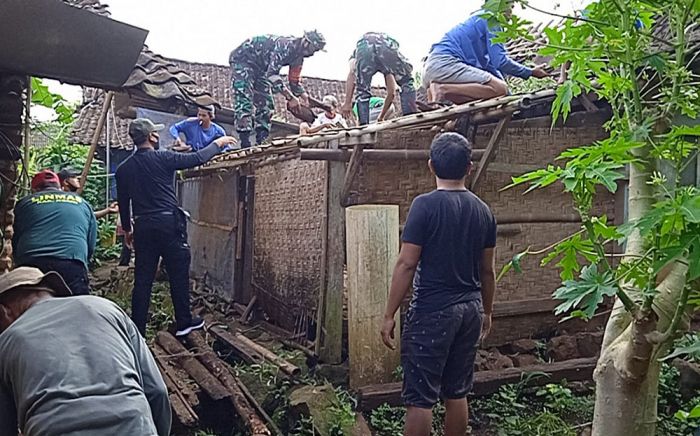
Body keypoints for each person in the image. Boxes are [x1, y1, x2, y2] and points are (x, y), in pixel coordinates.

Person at [380, 132, 497, 436]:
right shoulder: (484, 211)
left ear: (430, 165)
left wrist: (389, 313)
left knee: (421, 397)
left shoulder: (425, 206)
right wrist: (486, 311)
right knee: (457, 391)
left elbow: (407, 263)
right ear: (469, 168)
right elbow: (488, 271)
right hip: (470, 309)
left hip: (433, 311)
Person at [0, 266, 171, 436]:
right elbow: (157, 391)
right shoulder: (108, 310)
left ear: (3, 311)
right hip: (135, 427)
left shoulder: (7, 341)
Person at [115, 118, 237, 337]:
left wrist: (127, 230)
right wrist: (219, 143)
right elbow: (197, 158)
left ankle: (138, 331)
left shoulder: (124, 169)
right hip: (168, 224)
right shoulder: (164, 158)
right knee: (178, 272)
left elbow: (124, 203)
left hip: (143, 225)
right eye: (156, 134)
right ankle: (184, 321)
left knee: (143, 278)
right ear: (152, 137)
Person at [423, 2, 548, 104]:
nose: (511, 13)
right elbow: (500, 62)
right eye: (511, 6)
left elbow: (490, 67)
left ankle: (436, 96)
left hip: (431, 70)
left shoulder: (478, 19)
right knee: (500, 89)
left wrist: (509, 96)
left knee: (484, 97)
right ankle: (442, 89)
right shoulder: (492, 19)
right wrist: (531, 72)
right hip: (445, 64)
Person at [229, 31, 326, 148]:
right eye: (313, 49)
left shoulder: (298, 58)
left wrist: (305, 97)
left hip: (261, 68)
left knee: (266, 103)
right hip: (243, 61)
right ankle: (245, 142)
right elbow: (272, 75)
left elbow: (294, 82)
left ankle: (262, 141)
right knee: (244, 98)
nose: (312, 53)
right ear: (306, 42)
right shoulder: (285, 46)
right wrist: (290, 97)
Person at [13, 170, 97, 296]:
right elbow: (91, 242)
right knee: (76, 309)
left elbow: (15, 237)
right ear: (60, 187)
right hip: (71, 261)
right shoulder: (82, 203)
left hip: (32, 262)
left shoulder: (24, 203)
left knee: (32, 310)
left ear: (34, 190)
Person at [340, 32, 417, 125]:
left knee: (362, 92)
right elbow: (391, 93)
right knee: (406, 81)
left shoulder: (356, 55)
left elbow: (352, 72)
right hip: (386, 44)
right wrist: (381, 117)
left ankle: (364, 127)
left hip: (365, 45)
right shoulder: (386, 66)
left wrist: (347, 102)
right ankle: (411, 120)